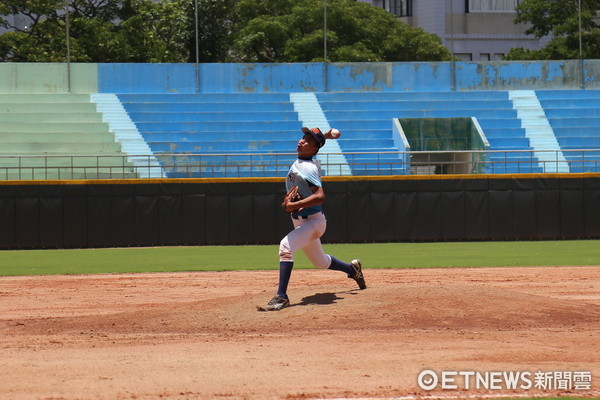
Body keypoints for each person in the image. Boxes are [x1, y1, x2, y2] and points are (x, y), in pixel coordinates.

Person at [258, 127, 366, 312]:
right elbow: (315, 143)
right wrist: (324, 136)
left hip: (314, 222)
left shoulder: (307, 167)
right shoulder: (307, 160)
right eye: (302, 137)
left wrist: (291, 206)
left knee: (285, 246)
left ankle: (281, 296)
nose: (301, 141)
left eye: (307, 141)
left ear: (314, 149)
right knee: (320, 262)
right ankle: (352, 270)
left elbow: (320, 197)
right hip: (301, 221)